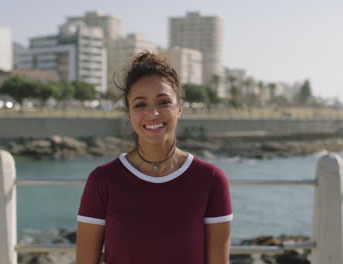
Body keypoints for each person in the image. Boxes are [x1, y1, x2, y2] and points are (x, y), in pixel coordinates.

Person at [76, 51, 233, 264]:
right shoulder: (103, 180)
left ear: (179, 108)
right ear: (129, 114)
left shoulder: (211, 179)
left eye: (163, 102)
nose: (153, 113)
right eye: (140, 104)